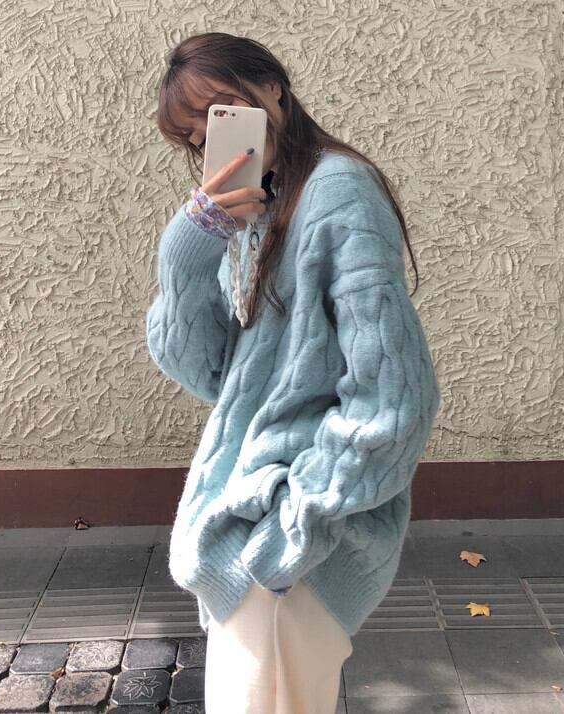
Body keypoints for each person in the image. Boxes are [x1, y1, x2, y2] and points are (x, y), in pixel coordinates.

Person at [146, 31, 441, 714]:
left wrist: (300, 520)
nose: (210, 138)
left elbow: (395, 394)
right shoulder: (260, 208)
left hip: (289, 533)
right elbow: (214, 373)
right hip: (251, 517)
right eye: (195, 135)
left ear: (272, 89)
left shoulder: (338, 191)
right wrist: (188, 248)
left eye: (221, 110)